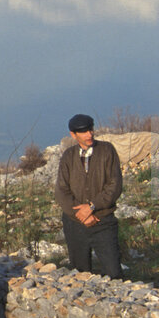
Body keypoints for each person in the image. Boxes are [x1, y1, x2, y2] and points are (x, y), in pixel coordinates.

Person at [54, 113, 124, 277]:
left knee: (113, 273)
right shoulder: (68, 156)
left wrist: (92, 207)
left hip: (102, 220)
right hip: (75, 223)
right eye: (84, 132)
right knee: (80, 274)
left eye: (90, 130)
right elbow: (61, 190)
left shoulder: (107, 150)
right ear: (73, 135)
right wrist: (81, 214)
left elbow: (114, 185)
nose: (89, 134)